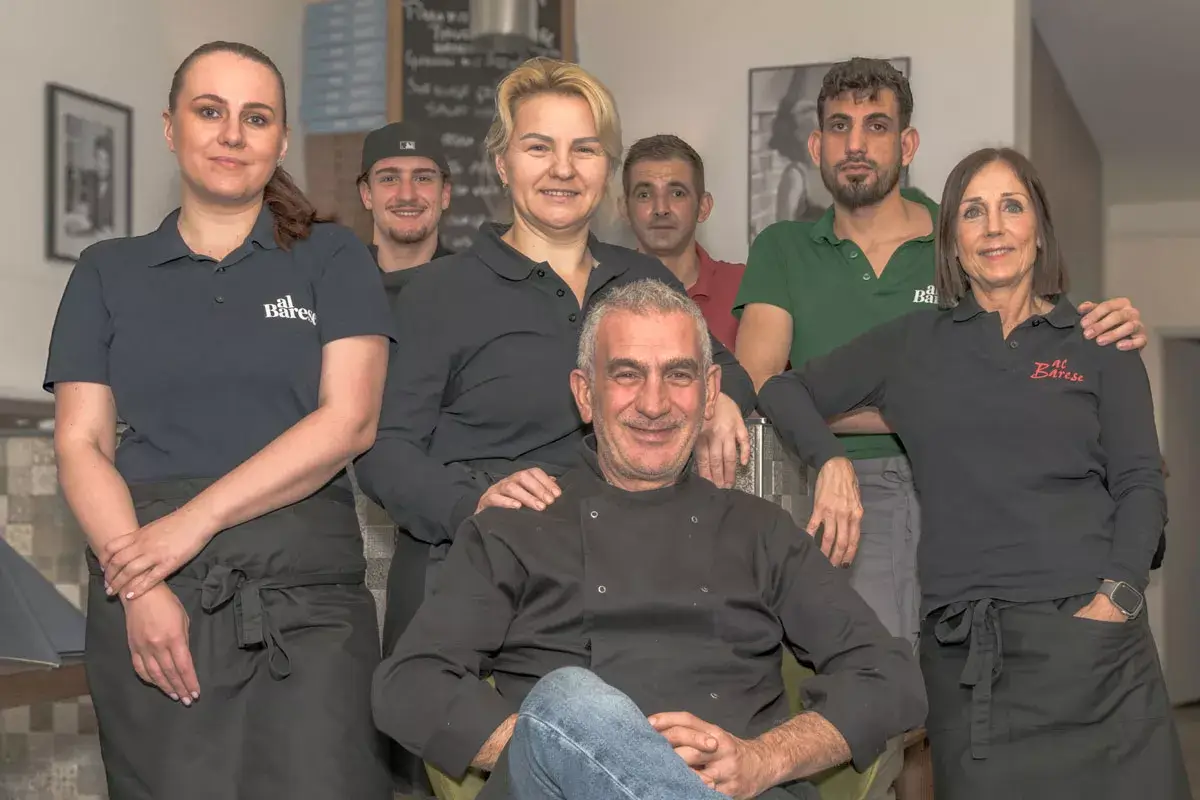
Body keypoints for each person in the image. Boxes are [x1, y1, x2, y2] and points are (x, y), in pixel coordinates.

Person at [373, 278, 927, 800]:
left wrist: (764, 758)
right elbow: (410, 683)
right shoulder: (514, 526)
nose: (655, 404)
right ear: (584, 394)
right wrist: (564, 747)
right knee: (569, 699)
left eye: (679, 375)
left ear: (710, 393)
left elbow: (890, 677)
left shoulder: (761, 530)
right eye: (627, 374)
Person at [756, 147, 1191, 800]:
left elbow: (1140, 484)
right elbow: (782, 389)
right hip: (970, 662)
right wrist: (830, 459)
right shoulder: (913, 343)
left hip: (1096, 646)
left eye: (1011, 207)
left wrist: (1118, 599)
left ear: (1038, 230)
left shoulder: (1099, 342)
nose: (993, 227)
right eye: (972, 212)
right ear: (952, 241)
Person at [43, 41, 393, 800]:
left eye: (256, 118)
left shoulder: (334, 257)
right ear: (171, 127)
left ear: (281, 141)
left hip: (309, 605)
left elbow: (350, 421)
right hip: (153, 593)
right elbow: (80, 443)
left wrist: (193, 522)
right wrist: (139, 588)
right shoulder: (107, 270)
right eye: (210, 111)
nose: (233, 134)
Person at [735, 56, 1147, 647]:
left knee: (958, 666)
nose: (856, 144)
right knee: (855, 669)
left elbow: (1028, 364)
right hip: (827, 475)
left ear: (908, 145)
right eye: (840, 126)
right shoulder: (782, 246)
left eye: (877, 126)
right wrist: (866, 434)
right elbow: (763, 382)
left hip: (960, 482)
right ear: (816, 145)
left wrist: (1110, 324)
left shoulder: (960, 233)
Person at [354, 57, 757, 654]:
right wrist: (472, 503)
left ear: (606, 167)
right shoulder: (438, 292)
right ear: (502, 163)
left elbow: (728, 371)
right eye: (539, 147)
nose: (563, 169)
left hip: (614, 591)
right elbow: (383, 453)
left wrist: (719, 401)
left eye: (584, 150)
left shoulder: (641, 279)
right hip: (472, 585)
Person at [622, 134, 745, 351]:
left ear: (703, 207)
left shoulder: (746, 288)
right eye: (644, 194)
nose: (661, 209)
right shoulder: (599, 293)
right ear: (624, 209)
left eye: (677, 193)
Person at [357, 119, 455, 302]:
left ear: (445, 194)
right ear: (367, 195)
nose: (407, 195)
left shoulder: (476, 288)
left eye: (423, 178)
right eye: (389, 179)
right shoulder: (336, 286)